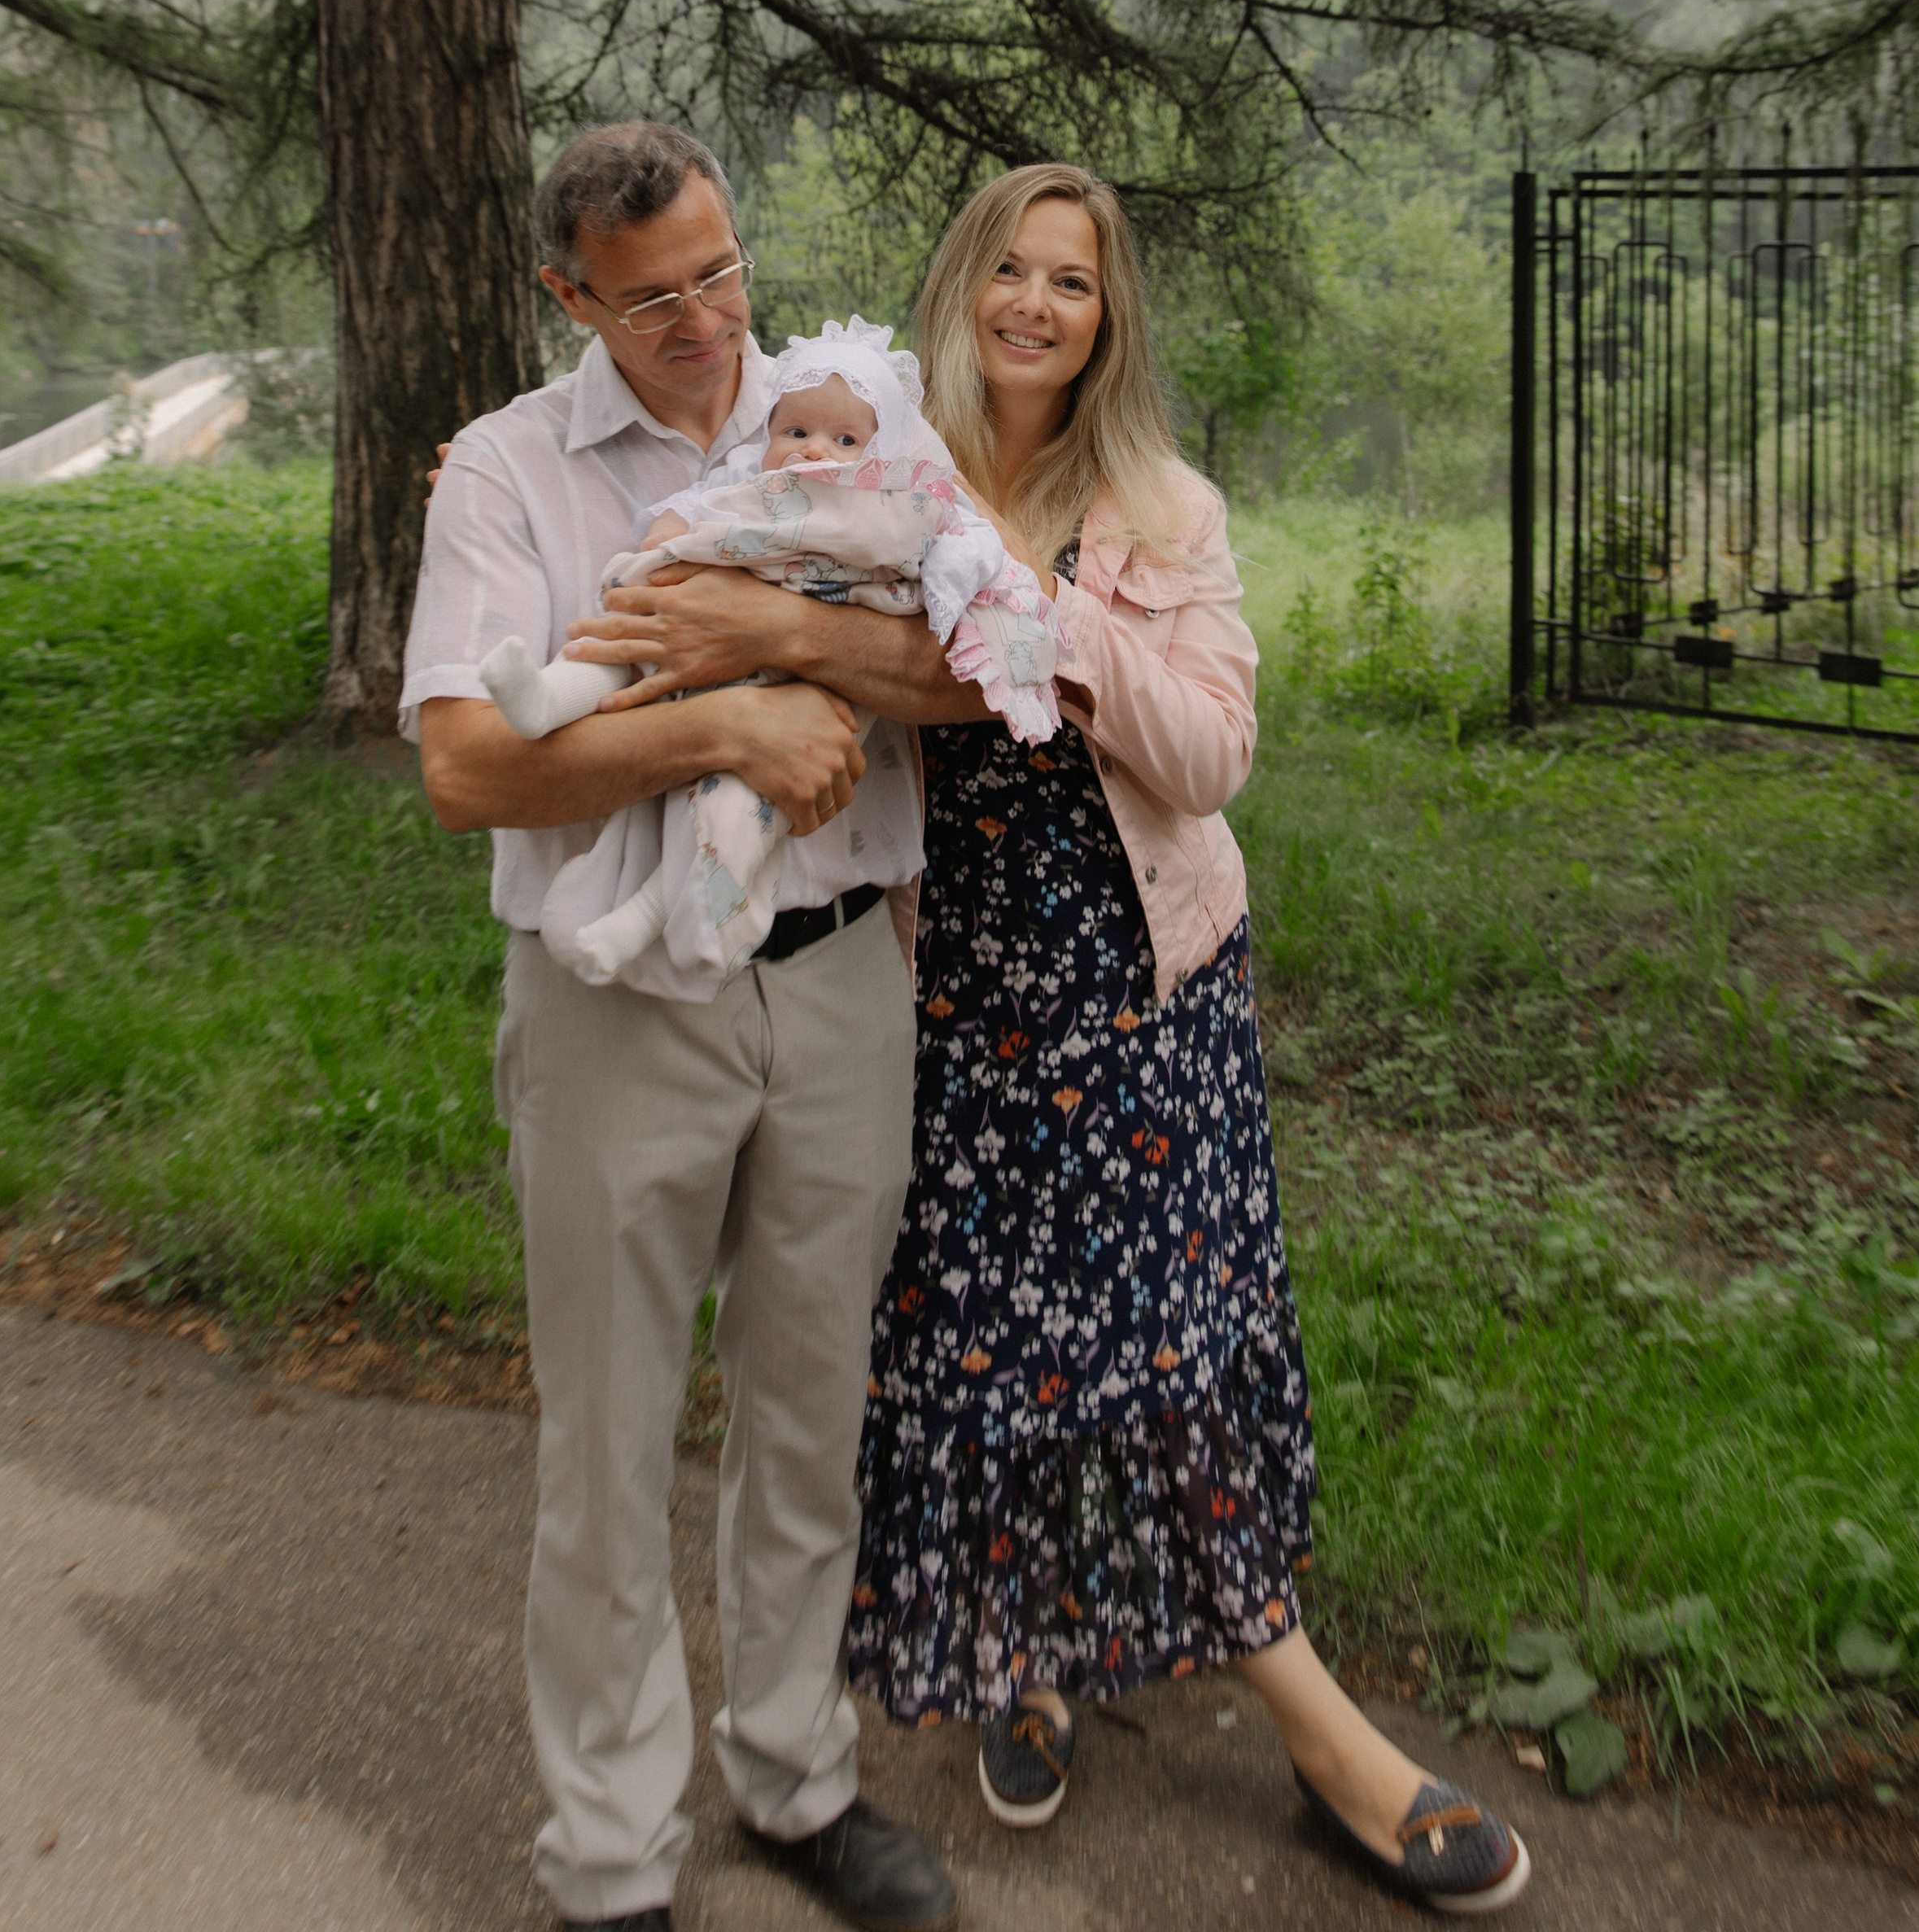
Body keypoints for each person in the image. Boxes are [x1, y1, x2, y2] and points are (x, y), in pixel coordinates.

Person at [578, 161, 1532, 1918]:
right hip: (939, 999)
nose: (1033, 302)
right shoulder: (878, 458)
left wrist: (1046, 611)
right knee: (975, 1353)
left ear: (1107, 318)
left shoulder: (1161, 507)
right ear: (959, 288)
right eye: (1006, 270)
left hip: (1134, 1003)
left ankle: (1311, 1720)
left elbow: (1212, 756)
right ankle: (1025, 1652)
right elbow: (699, 477)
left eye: (1070, 283)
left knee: (1159, 1354)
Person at [404, 124, 960, 1932]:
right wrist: (724, 725)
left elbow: (965, 661)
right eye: (655, 301)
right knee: (610, 1444)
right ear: (570, 295)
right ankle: (611, 1859)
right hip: (610, 1011)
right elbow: (467, 762)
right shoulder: (502, 472)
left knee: (811, 1419)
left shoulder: (846, 405)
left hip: (835, 986)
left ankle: (796, 1777)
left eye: (721, 273)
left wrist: (747, 628)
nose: (708, 322)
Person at [474, 317, 1061, 994]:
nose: (815, 451)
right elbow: (691, 509)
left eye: (846, 440)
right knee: (627, 639)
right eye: (797, 432)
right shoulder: (749, 476)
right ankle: (546, 698)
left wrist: (949, 594)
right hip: (693, 624)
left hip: (803, 688)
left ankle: (648, 916)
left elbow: (975, 557)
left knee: (732, 813)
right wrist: (665, 541)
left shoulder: (904, 498)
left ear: (882, 449)